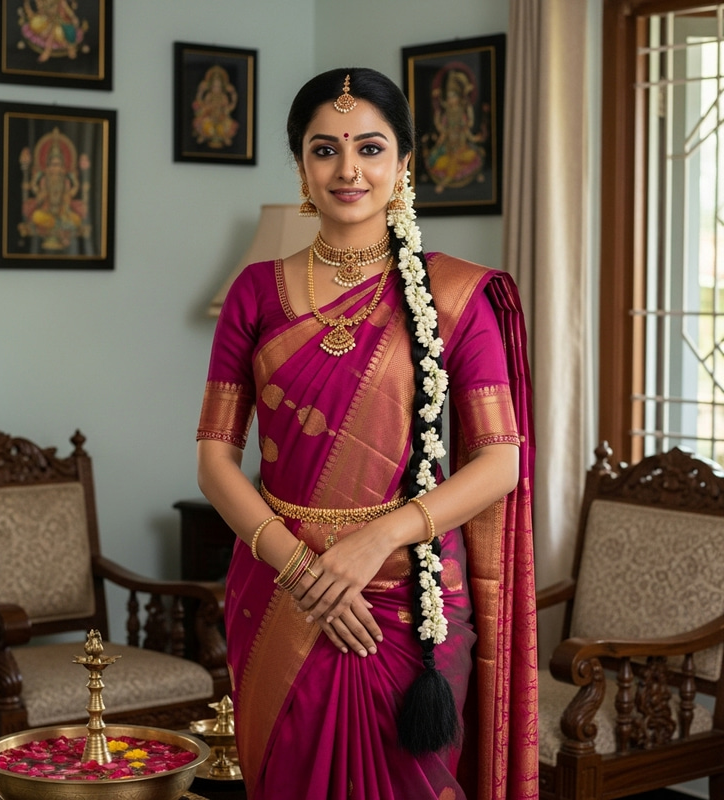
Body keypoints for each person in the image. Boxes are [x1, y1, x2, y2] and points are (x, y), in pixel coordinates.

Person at [196, 67, 537, 800]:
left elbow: (500, 462)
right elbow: (214, 461)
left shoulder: (458, 297)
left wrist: (378, 539)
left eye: (371, 148)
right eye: (325, 150)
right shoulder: (255, 292)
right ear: (301, 168)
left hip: (410, 598)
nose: (348, 169)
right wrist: (302, 571)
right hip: (282, 589)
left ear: (404, 165)